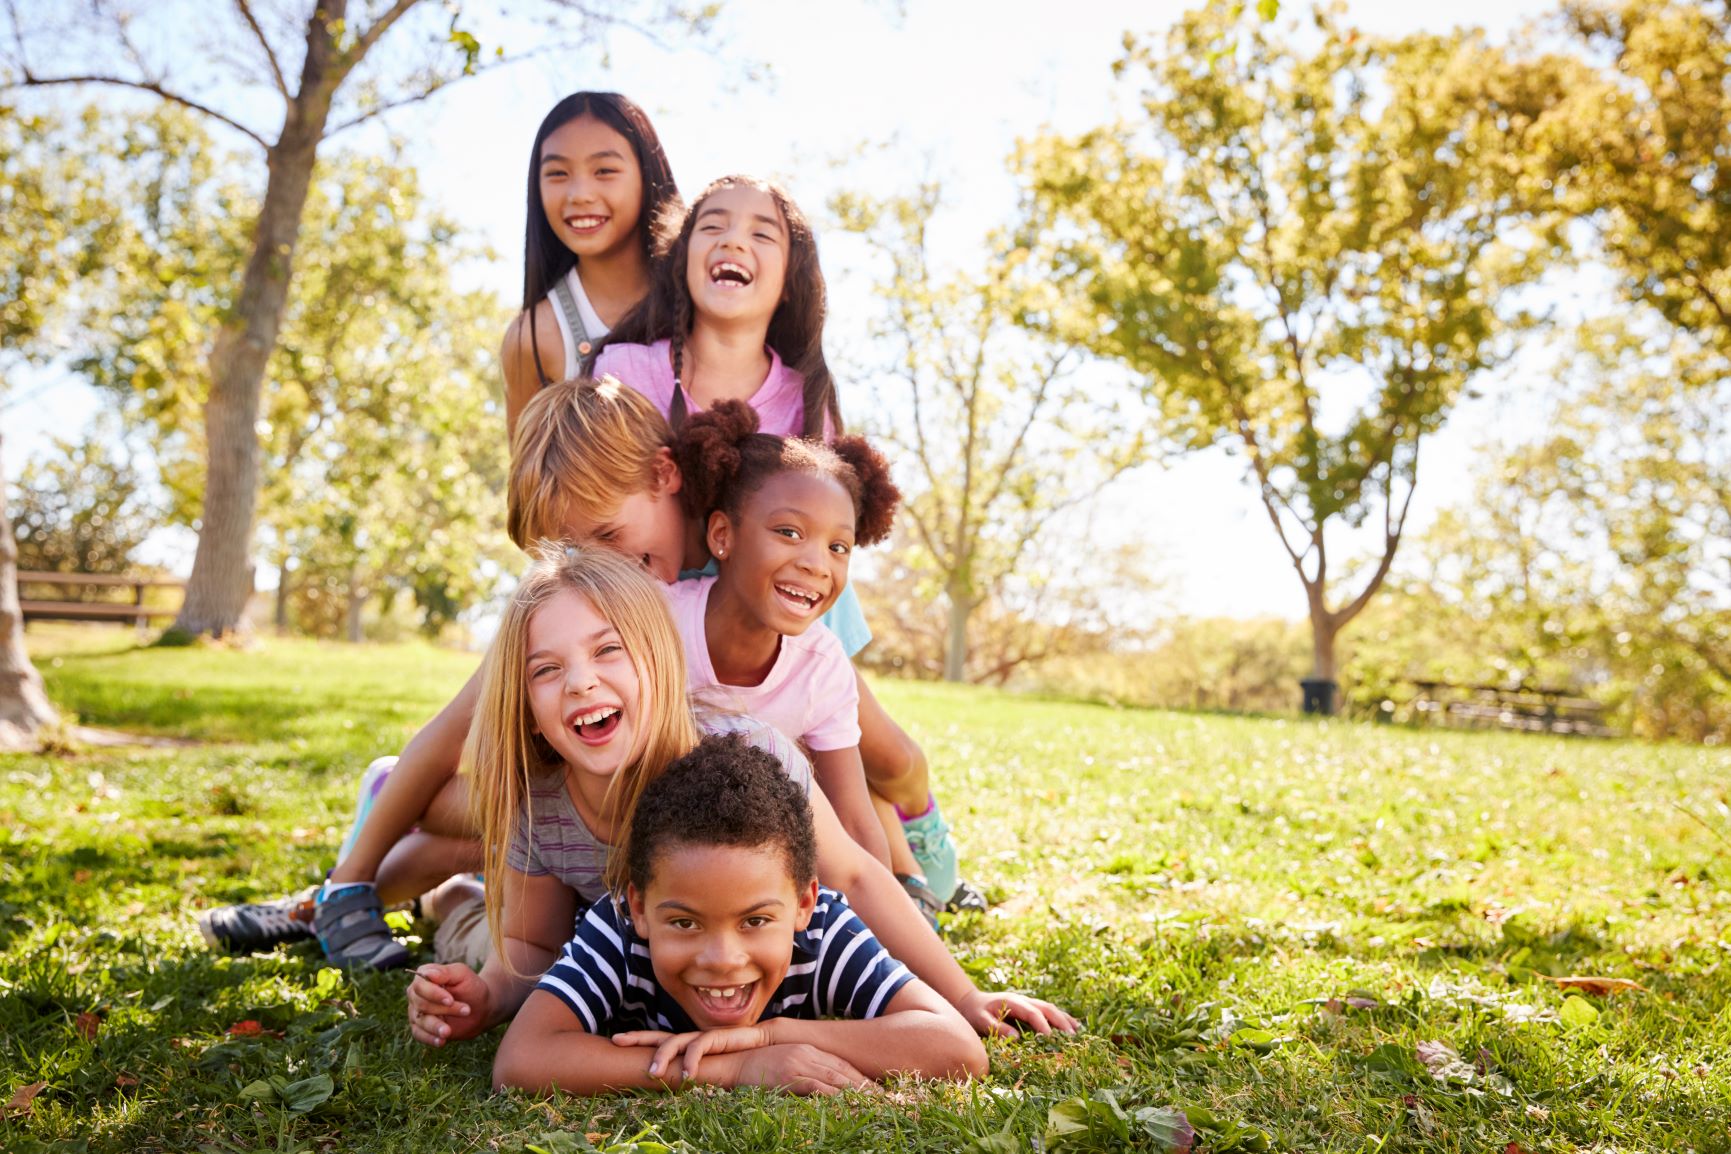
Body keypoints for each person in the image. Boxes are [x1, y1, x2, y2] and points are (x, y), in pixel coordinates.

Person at [405, 544, 1075, 1047]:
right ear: (525, 708)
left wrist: (962, 994)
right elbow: (531, 944)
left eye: (607, 651)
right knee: (475, 935)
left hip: (671, 943)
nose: (580, 682)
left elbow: (854, 876)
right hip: (604, 949)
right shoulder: (541, 801)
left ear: (659, 660)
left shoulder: (746, 755)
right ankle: (452, 897)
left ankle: (459, 890)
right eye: (546, 670)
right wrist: (486, 997)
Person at [594, 176, 963, 905]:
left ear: (790, 278)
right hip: (684, 610)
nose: (734, 241)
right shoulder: (627, 371)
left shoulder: (804, 392)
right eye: (713, 227)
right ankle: (900, 883)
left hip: (789, 610)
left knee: (885, 756)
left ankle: (915, 846)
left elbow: (826, 520)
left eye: (762, 233)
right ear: (681, 257)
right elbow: (608, 489)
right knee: (782, 768)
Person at [492, 732, 986, 1095]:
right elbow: (521, 1058)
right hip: (506, 917)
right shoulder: (618, 932)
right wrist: (733, 1067)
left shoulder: (823, 933)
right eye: (685, 923)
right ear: (639, 907)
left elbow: (957, 1048)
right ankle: (457, 895)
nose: (723, 959)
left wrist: (773, 1035)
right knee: (474, 917)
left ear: (803, 903)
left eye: (754, 921)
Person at [668, 399, 898, 869]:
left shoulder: (821, 666)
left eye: (838, 547)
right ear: (722, 535)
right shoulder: (658, 626)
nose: (817, 564)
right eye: (789, 532)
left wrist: (879, 908)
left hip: (757, 866)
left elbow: (855, 823)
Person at [500, 91, 679, 440]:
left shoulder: (704, 292)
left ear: (647, 175)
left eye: (604, 170)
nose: (579, 194)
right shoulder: (534, 336)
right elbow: (527, 472)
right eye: (557, 173)